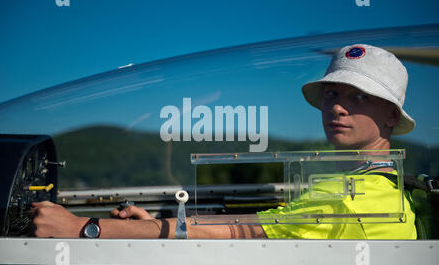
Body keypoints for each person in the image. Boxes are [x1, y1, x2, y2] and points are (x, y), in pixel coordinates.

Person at [30, 44, 417, 239]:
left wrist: (82, 227)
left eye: (359, 97)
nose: (338, 107)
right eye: (332, 94)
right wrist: (163, 223)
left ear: (391, 117)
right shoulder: (362, 185)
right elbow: (252, 222)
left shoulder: (356, 198)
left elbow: (235, 233)